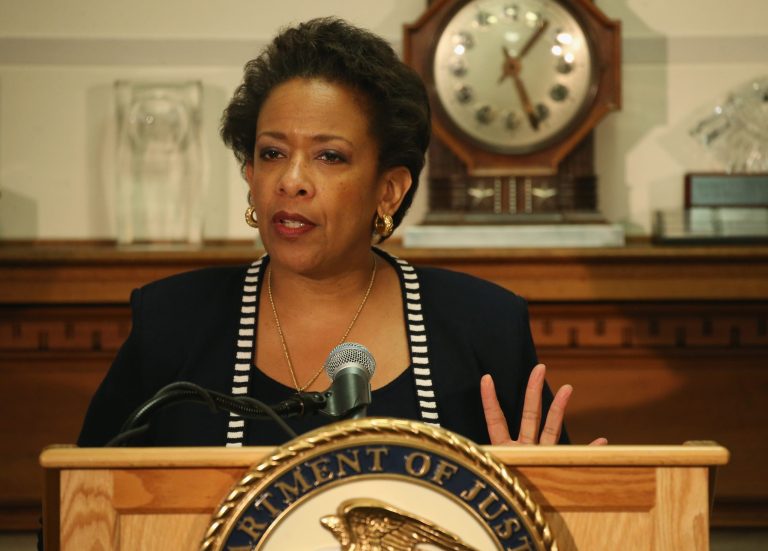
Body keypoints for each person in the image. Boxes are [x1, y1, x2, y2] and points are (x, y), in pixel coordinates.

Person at [77, 17, 606, 449]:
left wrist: (529, 498)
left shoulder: (484, 326)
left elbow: (550, 515)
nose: (291, 181)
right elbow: (78, 514)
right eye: (272, 154)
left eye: (329, 156)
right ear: (249, 176)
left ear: (389, 191)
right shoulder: (173, 323)